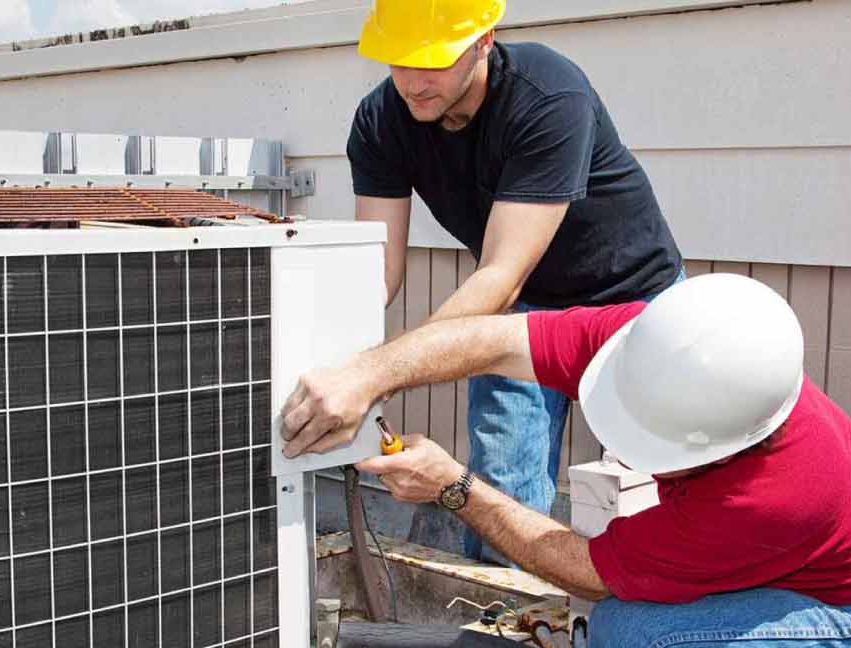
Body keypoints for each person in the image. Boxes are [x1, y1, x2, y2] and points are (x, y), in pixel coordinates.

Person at [279, 274, 851, 648]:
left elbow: (588, 571)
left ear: (722, 444)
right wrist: (368, 373)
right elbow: (495, 338)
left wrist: (454, 487)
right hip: (818, 599)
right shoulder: (662, 344)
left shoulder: (769, 492)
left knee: (636, 641)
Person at [280, 0, 685, 563]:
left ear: (484, 40)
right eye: (398, 60)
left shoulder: (548, 95)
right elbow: (380, 272)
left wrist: (374, 376)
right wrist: (329, 363)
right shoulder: (381, 122)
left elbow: (501, 274)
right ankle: (508, 637)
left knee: (660, 493)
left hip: (633, 301)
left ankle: (650, 633)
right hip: (523, 315)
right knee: (500, 489)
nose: (414, 82)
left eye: (434, 61)